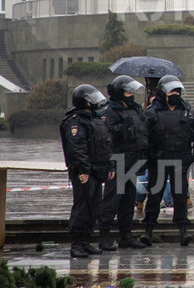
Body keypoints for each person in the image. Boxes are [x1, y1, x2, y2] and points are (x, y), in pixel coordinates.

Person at [141, 75, 194, 247]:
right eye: (172, 91)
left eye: (177, 91)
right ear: (163, 92)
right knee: (154, 196)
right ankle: (148, 231)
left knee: (180, 196)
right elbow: (144, 138)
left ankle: (183, 230)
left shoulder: (187, 112)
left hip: (180, 160)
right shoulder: (151, 112)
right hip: (158, 161)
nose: (175, 94)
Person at [61, 84, 114, 258]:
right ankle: (76, 243)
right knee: (82, 206)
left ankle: (86, 241)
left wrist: (109, 166)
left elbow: (106, 144)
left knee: (94, 207)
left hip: (98, 169)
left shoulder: (95, 118)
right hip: (85, 171)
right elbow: (76, 148)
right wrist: (82, 169)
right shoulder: (75, 120)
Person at [98, 75, 149, 251]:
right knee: (112, 201)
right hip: (117, 163)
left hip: (133, 162)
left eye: (132, 92)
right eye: (128, 91)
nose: (131, 94)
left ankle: (126, 236)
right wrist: (110, 165)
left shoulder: (135, 110)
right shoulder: (109, 112)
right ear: (120, 93)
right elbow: (106, 142)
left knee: (128, 201)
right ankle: (104, 236)